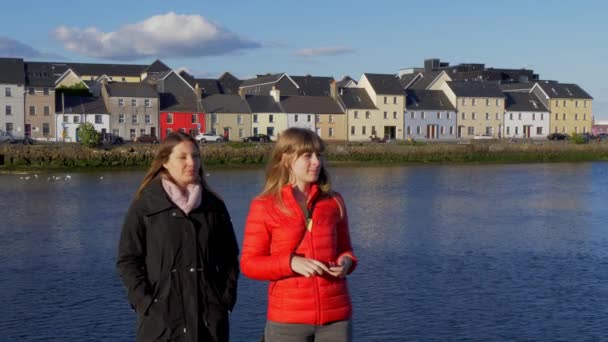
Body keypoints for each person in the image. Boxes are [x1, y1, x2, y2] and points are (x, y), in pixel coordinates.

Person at [117, 132, 239, 342]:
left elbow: (229, 258)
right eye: (182, 157)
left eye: (196, 156)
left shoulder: (214, 206)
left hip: (208, 321)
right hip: (161, 324)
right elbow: (128, 260)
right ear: (165, 162)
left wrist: (224, 301)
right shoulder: (145, 205)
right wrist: (145, 304)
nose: (192, 162)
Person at [240, 127, 358, 342]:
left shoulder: (334, 201)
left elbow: (346, 249)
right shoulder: (264, 205)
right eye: (307, 156)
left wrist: (346, 262)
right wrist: (290, 263)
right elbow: (249, 264)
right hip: (287, 320)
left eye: (319, 155)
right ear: (286, 159)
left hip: (336, 317)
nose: (316, 162)